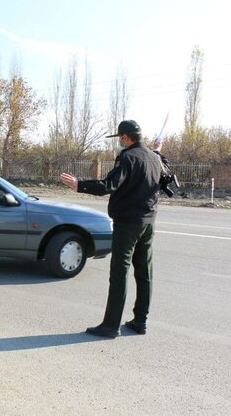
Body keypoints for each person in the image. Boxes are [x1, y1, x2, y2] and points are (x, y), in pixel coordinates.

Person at [60, 120, 162, 338]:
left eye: (120, 139)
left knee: (119, 273)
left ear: (125, 138)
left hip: (128, 223)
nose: (119, 143)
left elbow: (109, 185)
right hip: (148, 223)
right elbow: (162, 180)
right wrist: (158, 153)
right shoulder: (155, 158)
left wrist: (80, 185)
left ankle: (110, 325)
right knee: (144, 273)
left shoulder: (128, 157)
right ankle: (140, 321)